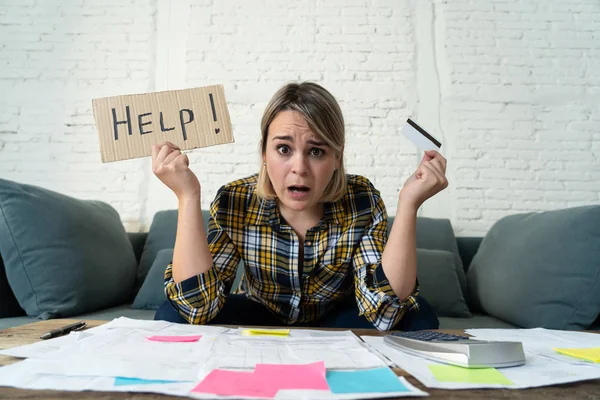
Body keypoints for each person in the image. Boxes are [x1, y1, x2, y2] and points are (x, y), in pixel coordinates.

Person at [153, 82, 447, 331]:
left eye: (316, 151)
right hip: (260, 313)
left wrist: (409, 204)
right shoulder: (235, 200)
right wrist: (187, 196)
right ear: (264, 153)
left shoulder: (362, 199)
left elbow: (385, 310)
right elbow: (197, 307)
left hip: (336, 317)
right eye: (284, 149)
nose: (299, 168)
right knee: (171, 314)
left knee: (418, 315)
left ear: (336, 158)